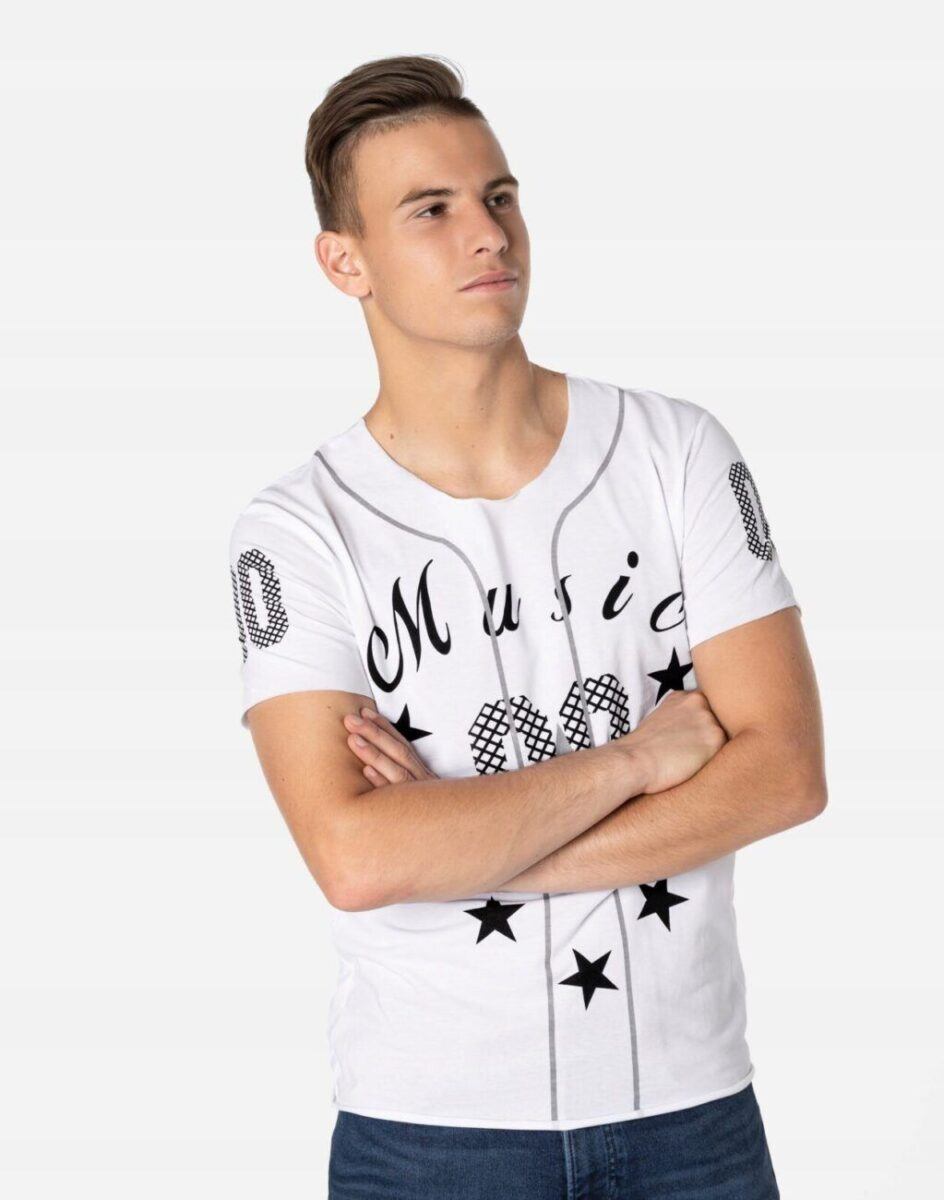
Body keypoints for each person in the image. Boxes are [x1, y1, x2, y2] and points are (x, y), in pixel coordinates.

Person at [227, 53, 826, 1200]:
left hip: (691, 1114)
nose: (487, 234)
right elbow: (355, 859)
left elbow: (785, 775)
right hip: (431, 1133)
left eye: (498, 195)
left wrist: (461, 847)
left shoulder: (673, 451)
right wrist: (640, 761)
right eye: (430, 210)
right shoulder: (295, 529)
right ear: (344, 260)